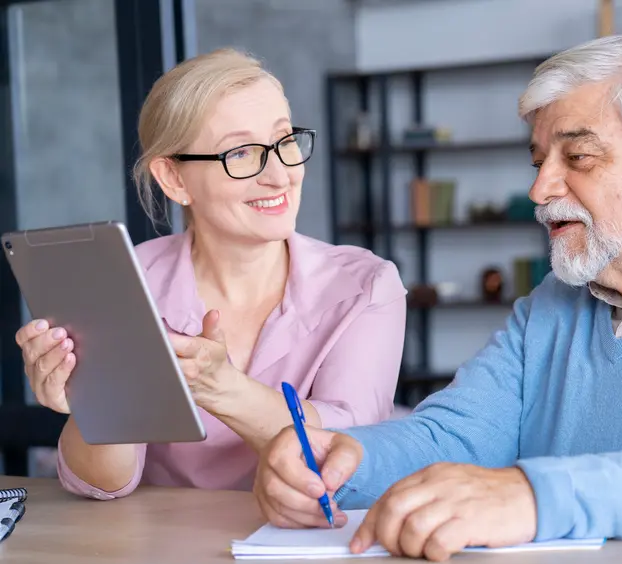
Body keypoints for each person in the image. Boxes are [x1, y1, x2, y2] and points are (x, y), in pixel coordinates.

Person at [254, 33, 622, 560]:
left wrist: (535, 496)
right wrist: (349, 460)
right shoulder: (555, 302)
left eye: (578, 157)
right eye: (540, 163)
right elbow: (458, 436)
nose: (541, 190)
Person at [14, 48, 407, 500]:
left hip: (312, 547)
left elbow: (348, 461)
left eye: (284, 141)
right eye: (240, 153)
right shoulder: (129, 282)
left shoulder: (365, 286)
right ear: (174, 180)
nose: (280, 175)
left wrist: (224, 390)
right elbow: (104, 485)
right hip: (161, 556)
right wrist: (94, 407)